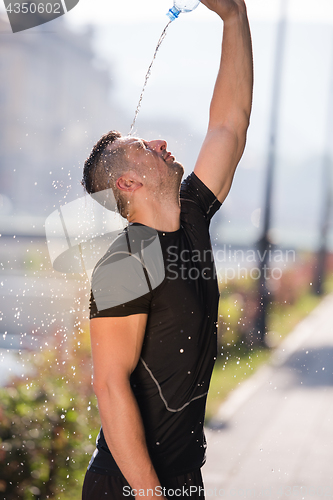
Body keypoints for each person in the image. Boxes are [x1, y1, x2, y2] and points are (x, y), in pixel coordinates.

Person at [81, 0, 253, 498]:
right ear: (130, 181)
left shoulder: (192, 215)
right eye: (144, 148)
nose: (160, 142)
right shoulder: (125, 261)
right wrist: (151, 493)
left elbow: (229, 127)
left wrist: (234, 16)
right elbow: (110, 386)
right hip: (131, 486)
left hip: (182, 480)